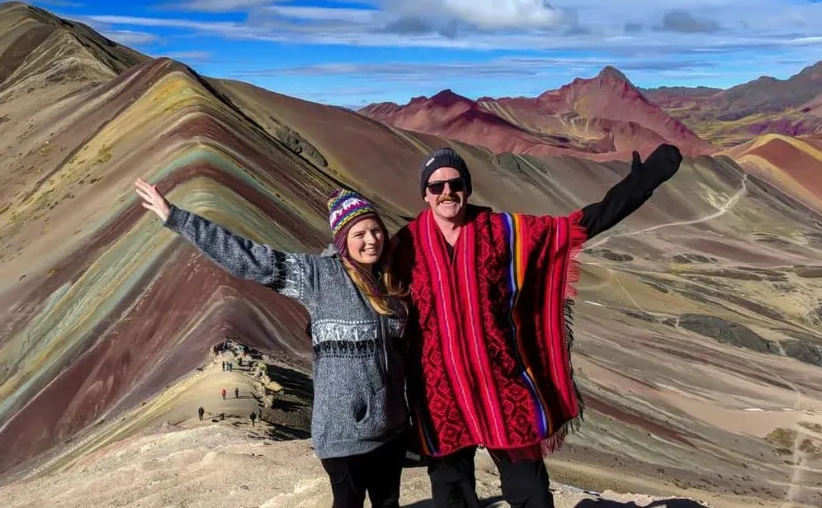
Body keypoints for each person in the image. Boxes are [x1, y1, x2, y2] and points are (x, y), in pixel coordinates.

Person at [391, 144, 683, 508]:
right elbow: (363, 273)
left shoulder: (500, 231)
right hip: (439, 393)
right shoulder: (405, 246)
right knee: (451, 493)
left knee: (530, 492)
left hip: (502, 385)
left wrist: (639, 186)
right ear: (425, 194)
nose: (447, 193)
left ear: (467, 187)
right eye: (436, 187)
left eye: (455, 183)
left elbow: (572, 229)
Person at [134, 179, 412, 508]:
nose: (371, 241)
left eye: (376, 230)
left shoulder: (393, 282)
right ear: (343, 240)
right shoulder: (318, 277)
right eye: (360, 234)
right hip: (343, 433)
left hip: (391, 430)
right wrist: (178, 218)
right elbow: (251, 259)